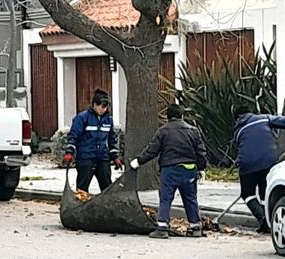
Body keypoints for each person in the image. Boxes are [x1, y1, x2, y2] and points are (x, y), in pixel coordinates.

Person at [129, 104, 207, 239]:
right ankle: (196, 228)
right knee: (190, 198)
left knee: (165, 199)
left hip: (170, 170)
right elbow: (201, 152)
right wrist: (201, 168)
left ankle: (162, 228)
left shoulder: (163, 131)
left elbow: (152, 150)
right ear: (182, 116)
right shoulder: (193, 131)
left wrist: (138, 161)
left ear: (168, 117)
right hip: (189, 170)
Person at [233, 104, 285, 233]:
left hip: (248, 165)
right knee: (265, 192)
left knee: (247, 193)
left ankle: (262, 218)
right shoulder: (265, 119)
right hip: (269, 162)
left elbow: (241, 148)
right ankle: (269, 219)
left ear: (237, 118)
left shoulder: (238, 131)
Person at [63, 89, 122, 193]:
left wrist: (115, 156)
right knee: (82, 188)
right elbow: (73, 136)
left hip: (102, 158)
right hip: (86, 158)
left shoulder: (108, 120)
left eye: (105, 107)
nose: (103, 109)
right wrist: (69, 152)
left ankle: (106, 208)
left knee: (107, 188)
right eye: (101, 106)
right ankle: (81, 207)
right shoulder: (82, 118)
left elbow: (112, 139)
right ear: (94, 104)